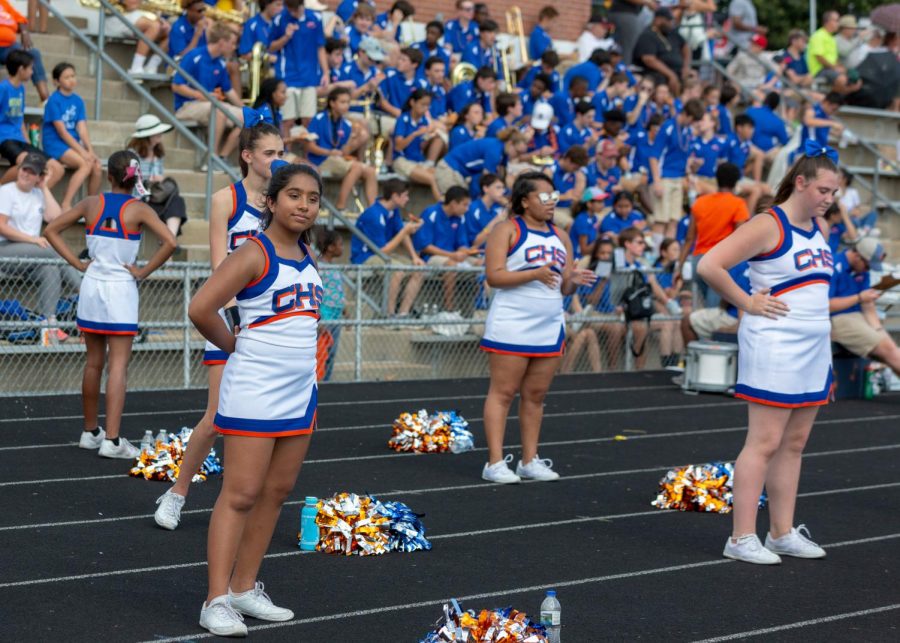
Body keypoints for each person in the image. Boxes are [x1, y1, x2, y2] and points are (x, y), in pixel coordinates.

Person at [189, 163, 322, 636]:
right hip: (254, 389)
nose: (304, 205)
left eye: (312, 198)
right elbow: (201, 307)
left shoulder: (309, 254)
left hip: (298, 391)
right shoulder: (253, 252)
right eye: (293, 196)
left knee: (277, 493)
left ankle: (245, 587)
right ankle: (215, 599)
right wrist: (235, 348)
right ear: (271, 202)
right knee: (240, 494)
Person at [697, 146, 840, 565]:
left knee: (794, 443)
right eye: (824, 189)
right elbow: (710, 265)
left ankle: (781, 532)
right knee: (764, 441)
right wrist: (747, 302)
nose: (829, 198)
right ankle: (741, 536)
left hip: (814, 346)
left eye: (834, 191)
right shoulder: (768, 224)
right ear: (801, 182)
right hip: (775, 342)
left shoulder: (821, 228)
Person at [153, 124, 284, 530]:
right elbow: (218, 268)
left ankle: (248, 503)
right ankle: (177, 493)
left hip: (274, 321)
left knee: (273, 421)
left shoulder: (284, 201)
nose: (276, 159)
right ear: (247, 155)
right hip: (235, 318)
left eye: (281, 151)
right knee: (217, 416)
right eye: (268, 152)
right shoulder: (225, 199)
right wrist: (235, 322)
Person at [44, 150, 177, 459]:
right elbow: (170, 242)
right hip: (120, 289)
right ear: (136, 178)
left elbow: (51, 230)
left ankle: (90, 432)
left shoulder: (91, 203)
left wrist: (76, 263)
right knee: (118, 365)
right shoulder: (139, 209)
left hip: (91, 286)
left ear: (109, 176)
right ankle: (113, 440)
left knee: (93, 362)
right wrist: (144, 271)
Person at [479, 171, 596, 483]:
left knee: (536, 395)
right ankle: (494, 462)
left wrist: (573, 280)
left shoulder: (562, 235)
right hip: (512, 321)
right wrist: (533, 274)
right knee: (503, 392)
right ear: (524, 201)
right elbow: (494, 276)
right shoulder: (506, 229)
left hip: (549, 322)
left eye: (554, 196)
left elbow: (564, 287)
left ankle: (529, 460)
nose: (551, 202)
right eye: (543, 197)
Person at [0, 153, 80, 342]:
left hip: (30, 256)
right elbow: (1, 226)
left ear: (39, 177)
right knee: (48, 250)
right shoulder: (6, 191)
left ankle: (49, 324)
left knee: (49, 267)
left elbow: (56, 218)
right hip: (5, 250)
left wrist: (44, 188)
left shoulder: (38, 194)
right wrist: (32, 240)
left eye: (32, 172)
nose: (26, 174)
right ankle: (84, 290)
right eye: (24, 169)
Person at [350, 178, 424, 319]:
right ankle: (389, 315)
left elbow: (402, 233)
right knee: (396, 270)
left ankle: (403, 313)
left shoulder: (393, 210)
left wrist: (414, 257)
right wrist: (405, 231)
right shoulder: (374, 215)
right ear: (395, 196)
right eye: (405, 196)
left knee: (419, 269)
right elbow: (382, 251)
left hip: (381, 254)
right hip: (365, 257)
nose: (407, 199)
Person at [678, 162, 749, 307]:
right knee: (713, 313)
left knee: (706, 309)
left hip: (698, 262)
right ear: (736, 182)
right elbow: (740, 237)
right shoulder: (738, 203)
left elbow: (689, 238)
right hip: (720, 262)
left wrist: (679, 267)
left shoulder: (700, 201)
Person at [172, 23, 245, 161]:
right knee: (218, 110)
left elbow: (229, 91)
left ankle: (222, 157)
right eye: (232, 43)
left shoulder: (220, 62)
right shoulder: (194, 55)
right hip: (186, 106)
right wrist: (202, 96)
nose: (234, 47)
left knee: (249, 118)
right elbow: (176, 86)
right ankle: (212, 158)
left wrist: (245, 109)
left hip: (209, 104)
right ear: (222, 42)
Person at [830, 238, 900, 378]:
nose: (868, 270)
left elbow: (868, 305)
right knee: (890, 352)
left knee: (890, 351)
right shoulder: (833, 265)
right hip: (837, 318)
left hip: (857, 316)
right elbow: (825, 305)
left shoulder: (861, 267)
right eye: (868, 266)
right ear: (857, 256)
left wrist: (878, 330)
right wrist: (859, 298)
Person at [303, 86, 377, 215]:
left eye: (348, 102)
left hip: (336, 160)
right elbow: (309, 147)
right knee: (357, 167)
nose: (346, 106)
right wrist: (329, 153)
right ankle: (340, 205)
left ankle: (374, 210)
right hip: (321, 159)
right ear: (332, 103)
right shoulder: (319, 119)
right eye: (342, 102)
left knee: (370, 171)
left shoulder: (346, 124)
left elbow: (342, 151)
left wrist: (355, 140)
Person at [41, 63, 102, 212]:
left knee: (97, 166)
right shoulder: (53, 100)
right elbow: (62, 132)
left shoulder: (78, 100)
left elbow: (82, 129)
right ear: (56, 81)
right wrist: (82, 152)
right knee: (85, 163)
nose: (71, 80)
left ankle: (91, 205)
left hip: (72, 143)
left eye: (73, 76)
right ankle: (66, 203)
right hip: (55, 143)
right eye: (66, 77)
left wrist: (90, 150)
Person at [0, 50, 62, 186]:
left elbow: (20, 119)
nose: (32, 72)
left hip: (19, 139)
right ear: (21, 69)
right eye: (30, 69)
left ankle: (35, 200)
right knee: (27, 162)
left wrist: (28, 143)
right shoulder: (3, 88)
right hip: (4, 139)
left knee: (57, 169)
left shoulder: (21, 88)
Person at [649, 98, 704, 242]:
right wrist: (656, 181)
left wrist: (692, 167)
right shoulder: (668, 127)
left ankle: (668, 256)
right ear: (687, 115)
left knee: (674, 220)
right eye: (692, 120)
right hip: (665, 177)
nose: (693, 124)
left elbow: (683, 156)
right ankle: (657, 255)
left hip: (679, 178)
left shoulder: (687, 131)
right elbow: (654, 156)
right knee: (661, 219)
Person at [413, 186, 476, 310]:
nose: (467, 209)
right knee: (451, 264)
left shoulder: (460, 217)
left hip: (452, 255)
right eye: (464, 205)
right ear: (453, 204)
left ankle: (474, 309)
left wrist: (463, 252)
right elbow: (425, 247)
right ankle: (449, 309)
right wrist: (452, 255)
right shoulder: (431, 213)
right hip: (431, 258)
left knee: (482, 263)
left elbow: (462, 243)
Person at [127, 114, 188, 239]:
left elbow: (159, 175)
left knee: (177, 201)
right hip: (139, 199)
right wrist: (145, 180)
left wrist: (160, 179)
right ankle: (169, 243)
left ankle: (170, 240)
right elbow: (129, 180)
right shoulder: (132, 154)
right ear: (148, 136)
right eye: (156, 133)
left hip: (154, 197)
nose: (160, 135)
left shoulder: (158, 154)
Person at [269, 0, 328, 129]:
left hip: (309, 76)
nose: (293, 13)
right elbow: (271, 47)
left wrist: (326, 73)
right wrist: (286, 36)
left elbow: (320, 47)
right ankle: (286, 149)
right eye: (290, 10)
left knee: (308, 120)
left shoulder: (315, 18)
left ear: (303, 5)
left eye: (296, 9)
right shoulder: (279, 19)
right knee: (287, 120)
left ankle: (308, 149)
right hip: (287, 76)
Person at [435, 129, 528, 195]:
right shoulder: (494, 151)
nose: (518, 156)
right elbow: (487, 180)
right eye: (517, 152)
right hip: (449, 169)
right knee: (458, 202)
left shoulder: (502, 151)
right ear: (510, 143)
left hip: (460, 172)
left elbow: (502, 174)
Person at [0, 0, 49, 101]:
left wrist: (25, 32)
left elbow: (20, 19)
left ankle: (45, 98)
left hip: (8, 47)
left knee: (33, 53)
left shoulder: (3, 3)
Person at [633, 8, 690, 94]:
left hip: (678, 71)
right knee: (669, 82)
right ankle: (675, 104)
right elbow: (649, 59)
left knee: (693, 79)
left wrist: (686, 66)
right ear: (658, 20)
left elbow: (685, 47)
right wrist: (671, 75)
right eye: (668, 20)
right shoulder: (647, 35)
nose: (671, 23)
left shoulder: (671, 32)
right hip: (657, 73)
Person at [105, 0, 170, 76]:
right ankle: (136, 67)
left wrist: (161, 21)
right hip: (119, 17)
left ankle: (151, 66)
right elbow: (130, 5)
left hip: (137, 15)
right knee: (154, 26)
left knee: (170, 31)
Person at [317, 227, 345, 381]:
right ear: (329, 248)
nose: (342, 248)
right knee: (322, 349)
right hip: (325, 314)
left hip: (336, 314)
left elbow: (338, 289)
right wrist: (320, 317)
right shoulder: (320, 266)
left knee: (332, 351)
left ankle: (327, 381)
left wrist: (345, 309)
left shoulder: (334, 267)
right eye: (339, 244)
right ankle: (317, 380)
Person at [549, 145, 589, 232]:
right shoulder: (550, 170)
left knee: (587, 222)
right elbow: (542, 197)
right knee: (571, 224)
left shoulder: (577, 175)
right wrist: (564, 197)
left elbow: (576, 196)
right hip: (552, 209)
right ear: (567, 160)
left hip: (568, 209)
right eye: (575, 167)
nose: (576, 170)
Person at [465, 172, 506, 248]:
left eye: (503, 188)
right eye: (498, 187)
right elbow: (475, 243)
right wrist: (495, 222)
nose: (502, 191)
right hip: (476, 254)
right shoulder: (472, 209)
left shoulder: (496, 208)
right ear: (485, 188)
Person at [745, 92, 789, 160]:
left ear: (765, 100)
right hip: (765, 153)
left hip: (750, 149)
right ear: (776, 105)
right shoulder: (778, 121)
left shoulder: (750, 111)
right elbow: (785, 141)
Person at [609, 1, 653, 66]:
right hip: (625, 14)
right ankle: (622, 71)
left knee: (620, 47)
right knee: (625, 49)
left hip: (625, 14)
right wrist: (648, 2)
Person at [569, 186, 605, 260]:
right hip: (578, 259)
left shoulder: (594, 218)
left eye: (603, 201)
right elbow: (584, 251)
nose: (603, 205)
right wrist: (600, 239)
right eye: (599, 202)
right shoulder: (582, 220)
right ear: (589, 204)